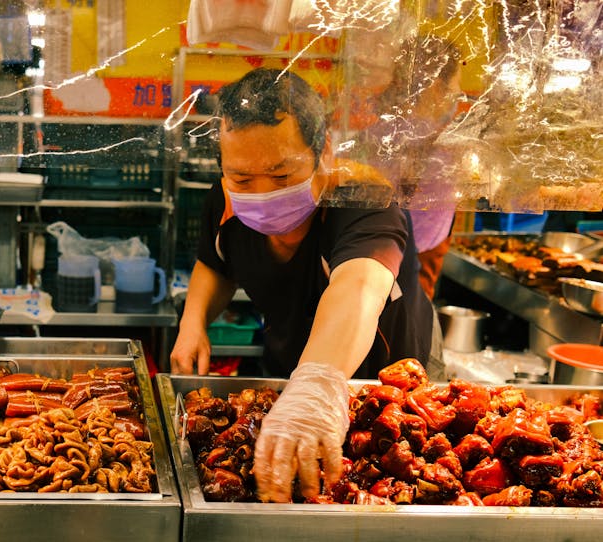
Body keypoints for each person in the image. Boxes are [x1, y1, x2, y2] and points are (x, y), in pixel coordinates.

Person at [170, 68, 437, 503]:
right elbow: (216, 262)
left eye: (281, 176)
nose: (260, 191)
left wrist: (316, 387)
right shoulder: (225, 200)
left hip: (383, 383)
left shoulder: (365, 199)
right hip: (291, 369)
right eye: (242, 178)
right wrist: (193, 321)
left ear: (323, 151)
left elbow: (359, 287)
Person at [369, 35, 465, 299]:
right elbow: (423, 237)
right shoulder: (445, 149)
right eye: (456, 83)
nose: (458, 92)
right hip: (409, 281)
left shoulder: (372, 131)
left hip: (364, 266)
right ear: (436, 86)